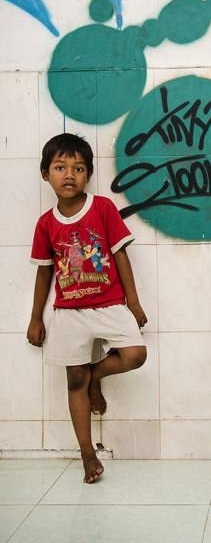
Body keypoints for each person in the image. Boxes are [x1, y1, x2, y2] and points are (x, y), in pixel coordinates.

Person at [27, 133, 148, 483]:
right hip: (68, 312)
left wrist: (134, 301)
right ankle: (87, 452)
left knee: (135, 354)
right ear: (45, 173)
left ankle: (97, 376)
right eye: (60, 167)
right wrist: (36, 317)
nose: (69, 174)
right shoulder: (46, 224)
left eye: (78, 168)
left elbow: (120, 254)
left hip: (109, 303)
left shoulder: (103, 208)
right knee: (73, 380)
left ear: (88, 174)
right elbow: (45, 271)